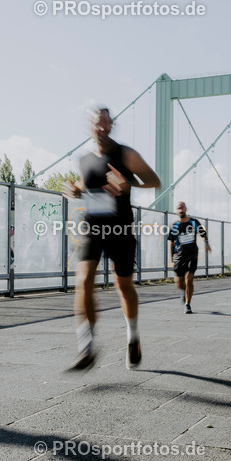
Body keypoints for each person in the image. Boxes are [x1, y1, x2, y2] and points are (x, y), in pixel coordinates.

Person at [62, 107, 160, 371]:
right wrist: (75, 190)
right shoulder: (84, 159)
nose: (103, 128)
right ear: (90, 127)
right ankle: (87, 347)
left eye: (107, 124)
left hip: (120, 229)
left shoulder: (125, 154)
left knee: (124, 287)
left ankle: (133, 338)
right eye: (98, 124)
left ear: (112, 125)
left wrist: (130, 184)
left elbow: (154, 180)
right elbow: (86, 187)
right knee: (83, 281)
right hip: (93, 227)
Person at [168, 201, 210, 314]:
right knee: (180, 284)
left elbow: (203, 234)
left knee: (189, 279)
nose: (180, 209)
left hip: (192, 255)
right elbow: (172, 243)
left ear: (186, 209)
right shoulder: (174, 226)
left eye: (182, 207)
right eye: (178, 208)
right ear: (177, 211)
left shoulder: (194, 222)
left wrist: (207, 244)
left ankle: (187, 304)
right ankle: (184, 291)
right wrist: (172, 259)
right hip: (179, 257)